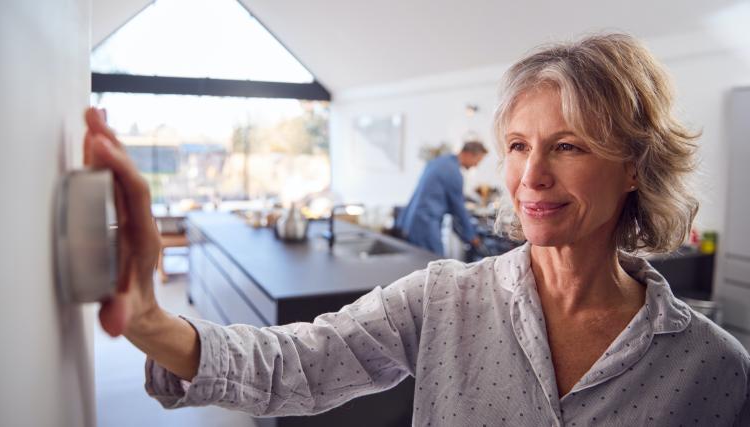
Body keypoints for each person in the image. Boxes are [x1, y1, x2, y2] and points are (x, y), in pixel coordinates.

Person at [85, 32, 750, 426]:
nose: (531, 175)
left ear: (633, 165)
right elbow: (296, 365)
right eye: (518, 145)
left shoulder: (715, 369)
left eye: (568, 145)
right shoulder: (442, 299)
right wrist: (148, 319)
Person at [395, 141, 486, 255]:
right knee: (437, 263)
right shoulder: (454, 173)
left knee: (418, 262)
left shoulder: (439, 161)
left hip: (411, 219)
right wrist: (472, 235)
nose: (476, 165)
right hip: (425, 223)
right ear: (468, 154)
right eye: (477, 161)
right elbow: (459, 208)